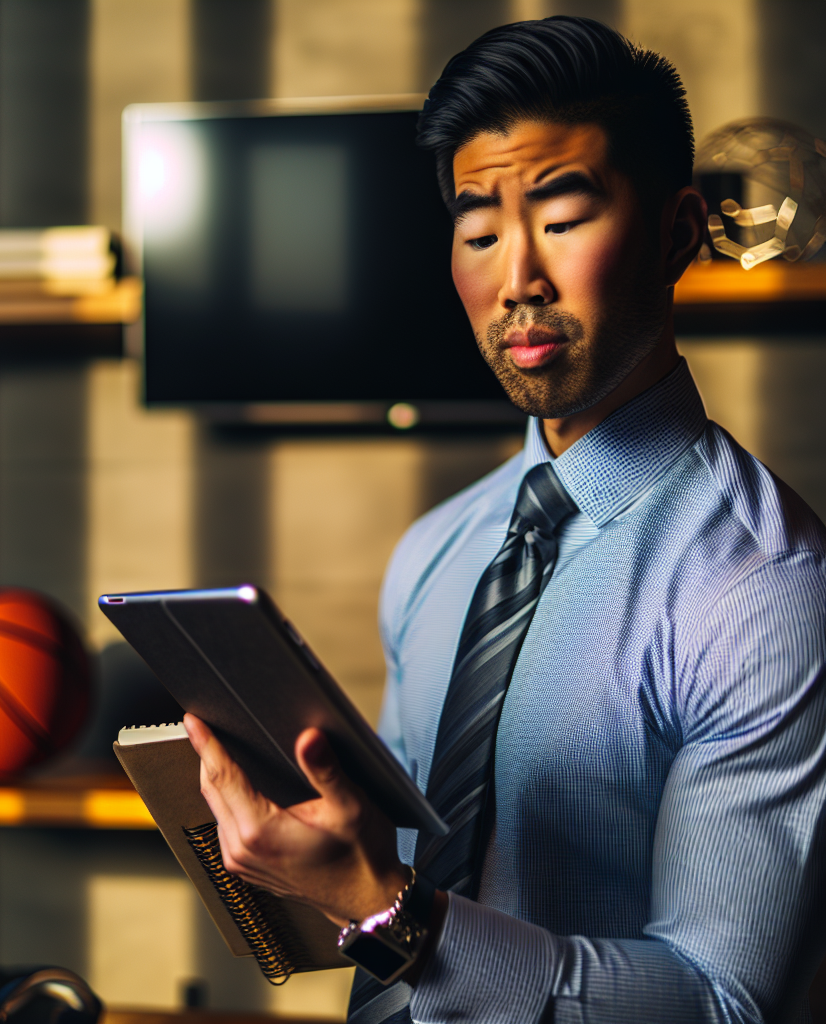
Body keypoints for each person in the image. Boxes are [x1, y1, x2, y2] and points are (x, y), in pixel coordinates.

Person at [183, 16, 826, 1024]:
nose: (516, 280)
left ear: (676, 234)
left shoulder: (765, 586)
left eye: (562, 219)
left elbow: (721, 1001)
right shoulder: (436, 550)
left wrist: (396, 917)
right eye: (479, 232)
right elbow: (387, 864)